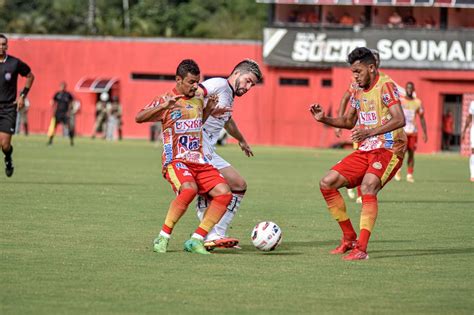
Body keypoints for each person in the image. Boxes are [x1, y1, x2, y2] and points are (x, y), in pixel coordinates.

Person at [309, 47, 406, 260]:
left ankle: (361, 249)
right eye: (352, 72)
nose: (355, 77)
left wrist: (369, 132)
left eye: (358, 71)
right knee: (327, 182)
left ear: (371, 68)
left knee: (368, 186)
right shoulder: (357, 89)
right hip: (366, 148)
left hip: (390, 148)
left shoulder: (386, 86)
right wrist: (324, 118)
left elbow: (400, 119)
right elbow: (348, 121)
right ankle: (349, 238)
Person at [135, 59, 233, 255]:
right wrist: (163, 107)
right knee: (189, 190)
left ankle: (196, 239)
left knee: (225, 193)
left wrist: (208, 111)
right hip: (176, 160)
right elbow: (139, 117)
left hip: (197, 160)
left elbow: (197, 122)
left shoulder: (198, 97)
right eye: (191, 82)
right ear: (178, 79)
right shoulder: (166, 99)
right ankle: (163, 237)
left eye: (198, 81)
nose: (196, 86)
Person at [196, 59, 263, 250]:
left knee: (238, 185)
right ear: (236, 73)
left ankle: (215, 233)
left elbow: (227, 121)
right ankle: (212, 233)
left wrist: (241, 139)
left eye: (252, 84)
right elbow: (194, 96)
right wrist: (205, 109)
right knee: (223, 188)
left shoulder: (229, 95)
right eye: (248, 81)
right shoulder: (217, 84)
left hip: (208, 148)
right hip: (197, 146)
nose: (249, 87)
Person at [0, 34, 34, 177]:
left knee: (5, 145)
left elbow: (30, 76)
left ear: (7, 46)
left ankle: (8, 159)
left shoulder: (14, 63)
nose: (1, 47)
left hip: (8, 108)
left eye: (3, 44)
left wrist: (22, 96)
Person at [395, 82, 427, 182]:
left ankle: (409, 174)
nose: (409, 89)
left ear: (413, 89)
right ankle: (398, 171)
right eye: (407, 87)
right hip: (402, 131)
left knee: (411, 153)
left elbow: (422, 118)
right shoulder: (401, 101)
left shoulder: (418, 102)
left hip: (413, 131)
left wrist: (425, 133)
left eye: (411, 88)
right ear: (405, 88)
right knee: (401, 152)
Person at [47, 82, 74, 146]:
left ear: (65, 87)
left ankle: (71, 141)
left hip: (65, 113)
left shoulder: (68, 94)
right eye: (61, 86)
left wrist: (69, 111)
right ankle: (50, 141)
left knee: (69, 126)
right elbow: (53, 101)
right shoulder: (57, 94)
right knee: (53, 127)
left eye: (63, 87)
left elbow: (71, 103)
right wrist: (53, 108)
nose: (62, 88)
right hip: (57, 113)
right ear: (60, 87)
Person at [461, 100, 474, 182]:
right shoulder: (473, 104)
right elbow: (469, 118)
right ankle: (473, 174)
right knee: (473, 151)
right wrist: (464, 131)